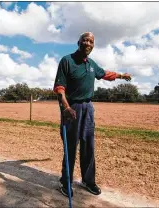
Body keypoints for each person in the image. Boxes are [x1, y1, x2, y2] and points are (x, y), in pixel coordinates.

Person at [53, 32, 132, 197]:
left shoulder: (91, 64)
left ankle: (88, 181)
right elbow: (60, 89)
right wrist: (66, 107)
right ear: (78, 42)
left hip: (88, 108)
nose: (88, 43)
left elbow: (104, 74)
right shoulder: (66, 61)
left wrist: (121, 75)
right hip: (72, 108)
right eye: (85, 40)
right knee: (71, 147)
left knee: (88, 145)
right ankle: (65, 182)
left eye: (91, 41)